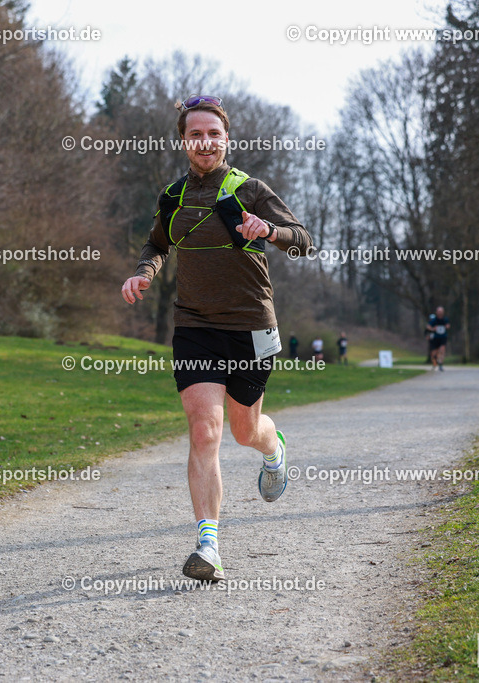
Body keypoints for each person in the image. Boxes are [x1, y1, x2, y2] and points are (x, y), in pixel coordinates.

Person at [121, 95, 311, 581]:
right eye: (195, 134)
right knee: (205, 430)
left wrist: (268, 229)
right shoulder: (174, 196)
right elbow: (156, 243)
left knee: (246, 430)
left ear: (227, 139)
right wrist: (144, 272)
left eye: (213, 133)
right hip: (195, 326)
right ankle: (208, 545)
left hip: (251, 326)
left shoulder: (249, 189)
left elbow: (304, 238)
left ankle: (274, 449)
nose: (204, 142)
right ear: (184, 141)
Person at [426, 306, 450, 371]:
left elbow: (448, 325)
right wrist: (433, 329)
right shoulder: (434, 320)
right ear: (436, 312)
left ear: (443, 312)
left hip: (443, 337)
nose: (440, 313)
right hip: (435, 338)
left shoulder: (445, 319)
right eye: (439, 311)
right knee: (434, 353)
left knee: (442, 350)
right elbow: (428, 326)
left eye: (441, 311)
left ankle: (441, 364)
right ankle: (435, 362)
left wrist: (447, 327)